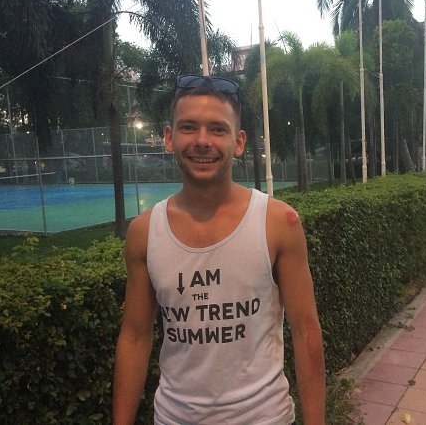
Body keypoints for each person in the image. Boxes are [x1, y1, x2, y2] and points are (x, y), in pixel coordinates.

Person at [113, 75, 326, 425]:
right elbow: (135, 337)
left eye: (217, 129)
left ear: (238, 142)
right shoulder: (145, 232)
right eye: (188, 127)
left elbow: (306, 332)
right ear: (169, 137)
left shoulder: (277, 223)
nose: (202, 141)